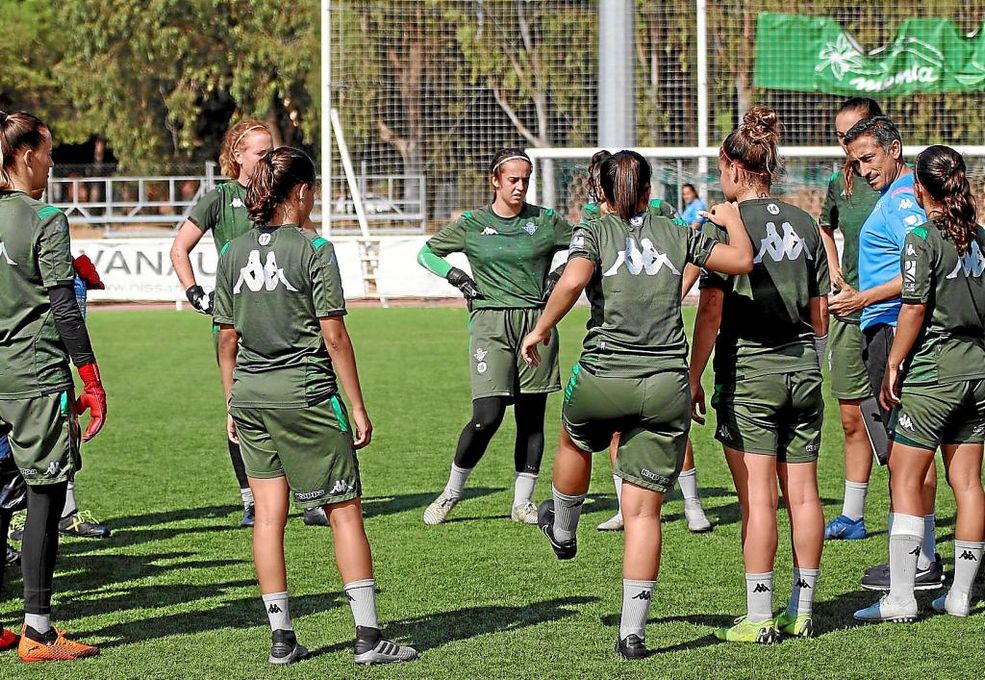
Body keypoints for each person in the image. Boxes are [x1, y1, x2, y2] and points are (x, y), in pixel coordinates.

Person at [521, 150, 751, 658]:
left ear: (600, 193)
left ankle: (562, 528)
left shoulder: (594, 231)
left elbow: (576, 279)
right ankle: (633, 634)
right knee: (644, 515)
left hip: (605, 376)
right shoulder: (678, 230)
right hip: (667, 383)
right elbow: (741, 261)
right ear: (650, 190)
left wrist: (540, 328)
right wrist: (733, 220)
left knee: (572, 439)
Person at [213, 147, 417, 666]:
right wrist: (357, 405)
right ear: (300, 192)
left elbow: (227, 339)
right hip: (305, 393)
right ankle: (368, 638)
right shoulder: (314, 249)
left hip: (252, 396)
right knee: (345, 511)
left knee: (267, 518)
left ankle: (282, 639)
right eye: (314, 190)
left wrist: (231, 401)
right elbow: (334, 334)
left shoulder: (232, 251)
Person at [691, 107, 829, 643]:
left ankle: (759, 615)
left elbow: (710, 311)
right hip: (805, 368)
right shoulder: (805, 223)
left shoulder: (725, 223)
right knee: (804, 493)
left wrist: (694, 374)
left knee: (758, 499)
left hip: (751, 373)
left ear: (732, 166)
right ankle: (805, 609)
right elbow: (820, 317)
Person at [854, 146, 985, 623]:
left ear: (920, 188)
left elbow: (912, 307)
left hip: (934, 375)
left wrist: (893, 362)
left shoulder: (922, 238)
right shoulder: (981, 239)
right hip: (978, 372)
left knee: (904, 478)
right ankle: (960, 596)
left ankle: (902, 598)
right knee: (968, 483)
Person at [0, 110, 106, 661]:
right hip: (33, 376)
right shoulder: (46, 218)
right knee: (45, 492)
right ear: (24, 157)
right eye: (47, 152)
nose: (50, 161)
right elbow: (65, 308)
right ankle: (38, 630)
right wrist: (90, 377)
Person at [417, 148, 571, 525]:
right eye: (512, 180)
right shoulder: (472, 223)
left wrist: (561, 273)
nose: (520, 187)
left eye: (525, 180)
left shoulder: (546, 221)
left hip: (537, 323)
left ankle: (523, 503)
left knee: (533, 418)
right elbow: (426, 253)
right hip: (489, 323)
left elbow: (589, 244)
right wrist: (457, 277)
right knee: (487, 415)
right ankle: (451, 492)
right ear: (495, 181)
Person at [830, 117, 943, 591]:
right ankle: (922, 556)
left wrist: (863, 299)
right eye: (856, 161)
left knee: (909, 450)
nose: (863, 169)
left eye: (870, 158)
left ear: (895, 150)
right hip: (884, 327)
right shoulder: (891, 198)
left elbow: (921, 269)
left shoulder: (902, 201)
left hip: (895, 329)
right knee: (904, 449)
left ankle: (920, 561)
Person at [580, 151, 712, 534]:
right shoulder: (593, 219)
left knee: (671, 424)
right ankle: (624, 506)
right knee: (616, 425)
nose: (600, 192)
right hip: (614, 335)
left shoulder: (660, 211)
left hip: (658, 337)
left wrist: (676, 290)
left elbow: (688, 253)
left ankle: (692, 503)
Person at [170, 120, 273, 528]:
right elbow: (180, 249)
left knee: (289, 406)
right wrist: (195, 293)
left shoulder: (281, 196)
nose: (268, 160)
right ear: (237, 156)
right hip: (233, 323)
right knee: (240, 408)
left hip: (281, 320)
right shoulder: (221, 198)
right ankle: (250, 499)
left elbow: (312, 243)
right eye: (261, 154)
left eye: (271, 152)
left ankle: (308, 497)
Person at [819, 98, 886, 541]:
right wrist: (835, 267)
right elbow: (824, 226)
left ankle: (918, 531)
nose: (846, 145)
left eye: (853, 134)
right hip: (848, 311)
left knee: (899, 422)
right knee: (851, 417)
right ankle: (853, 515)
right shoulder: (839, 184)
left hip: (891, 311)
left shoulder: (905, 182)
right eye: (841, 137)